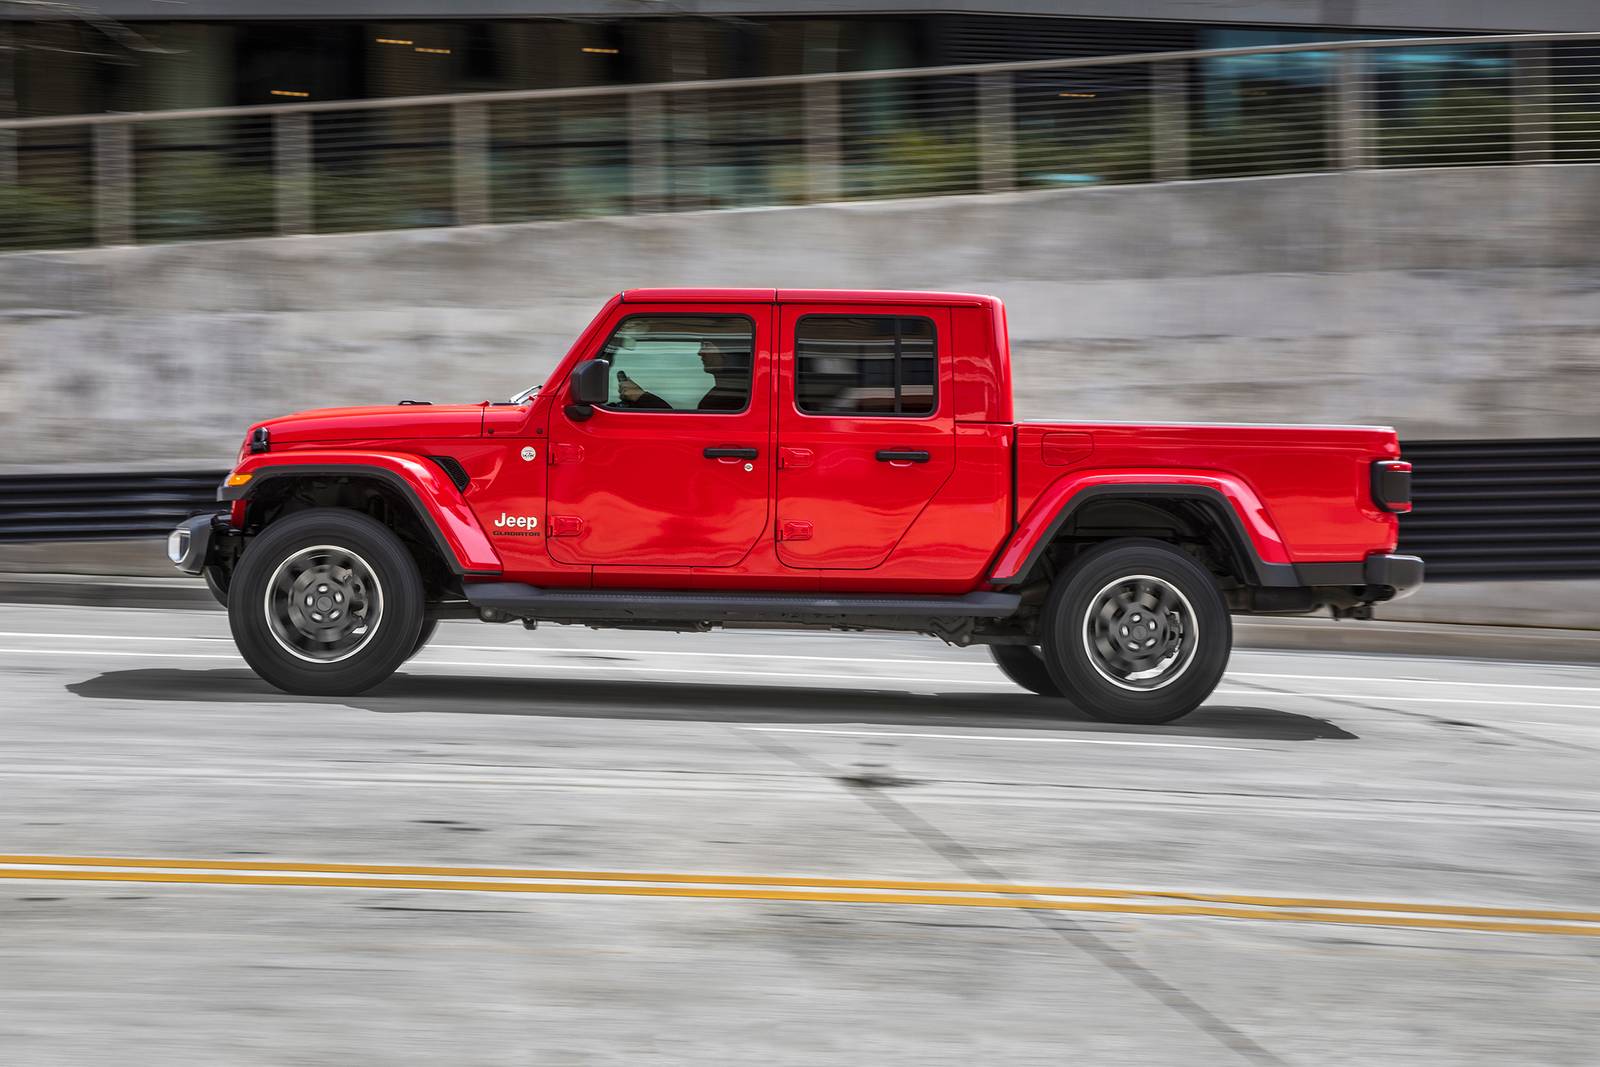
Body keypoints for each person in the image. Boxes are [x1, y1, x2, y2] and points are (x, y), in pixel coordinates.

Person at [613, 339, 749, 412]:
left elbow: (684, 429)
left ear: (727, 351)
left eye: (706, 345)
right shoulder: (725, 393)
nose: (700, 352)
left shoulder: (735, 396)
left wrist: (640, 396)